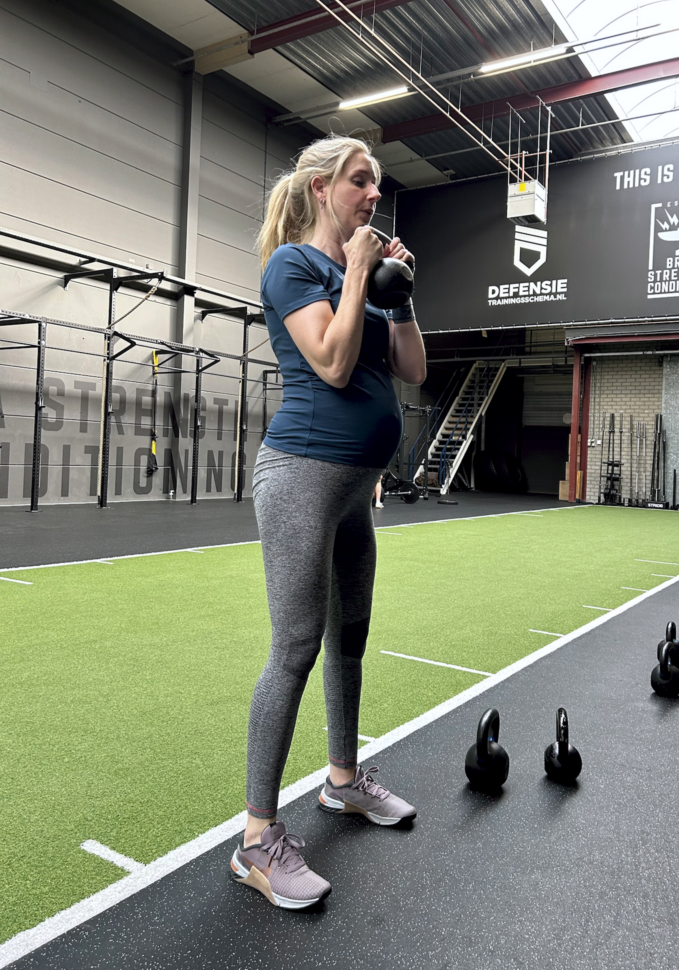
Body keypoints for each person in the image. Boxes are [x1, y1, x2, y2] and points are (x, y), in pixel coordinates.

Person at [230, 135, 426, 909]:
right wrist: (354, 274)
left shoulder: (363, 281)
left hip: (353, 489)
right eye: (359, 182)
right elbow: (335, 364)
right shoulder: (293, 267)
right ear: (321, 188)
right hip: (301, 476)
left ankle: (343, 782)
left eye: (376, 185)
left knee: (353, 637)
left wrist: (399, 293)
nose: (373, 195)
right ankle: (255, 842)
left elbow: (411, 369)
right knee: (295, 648)